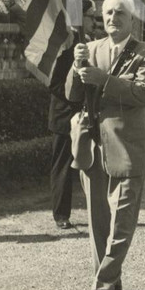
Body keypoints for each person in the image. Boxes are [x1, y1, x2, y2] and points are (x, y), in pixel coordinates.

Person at [66, 0, 145, 290]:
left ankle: (103, 285)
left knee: (122, 220)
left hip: (127, 145)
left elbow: (144, 93)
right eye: (107, 13)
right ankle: (110, 275)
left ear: (132, 20)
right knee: (98, 221)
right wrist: (76, 64)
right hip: (92, 146)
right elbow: (71, 94)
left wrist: (104, 80)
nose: (112, 18)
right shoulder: (91, 49)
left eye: (119, 13)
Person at [47, 35, 82, 230]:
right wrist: (77, 97)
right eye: (89, 17)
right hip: (64, 116)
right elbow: (54, 84)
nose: (93, 23)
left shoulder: (90, 46)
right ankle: (61, 214)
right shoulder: (62, 51)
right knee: (63, 166)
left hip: (88, 115)